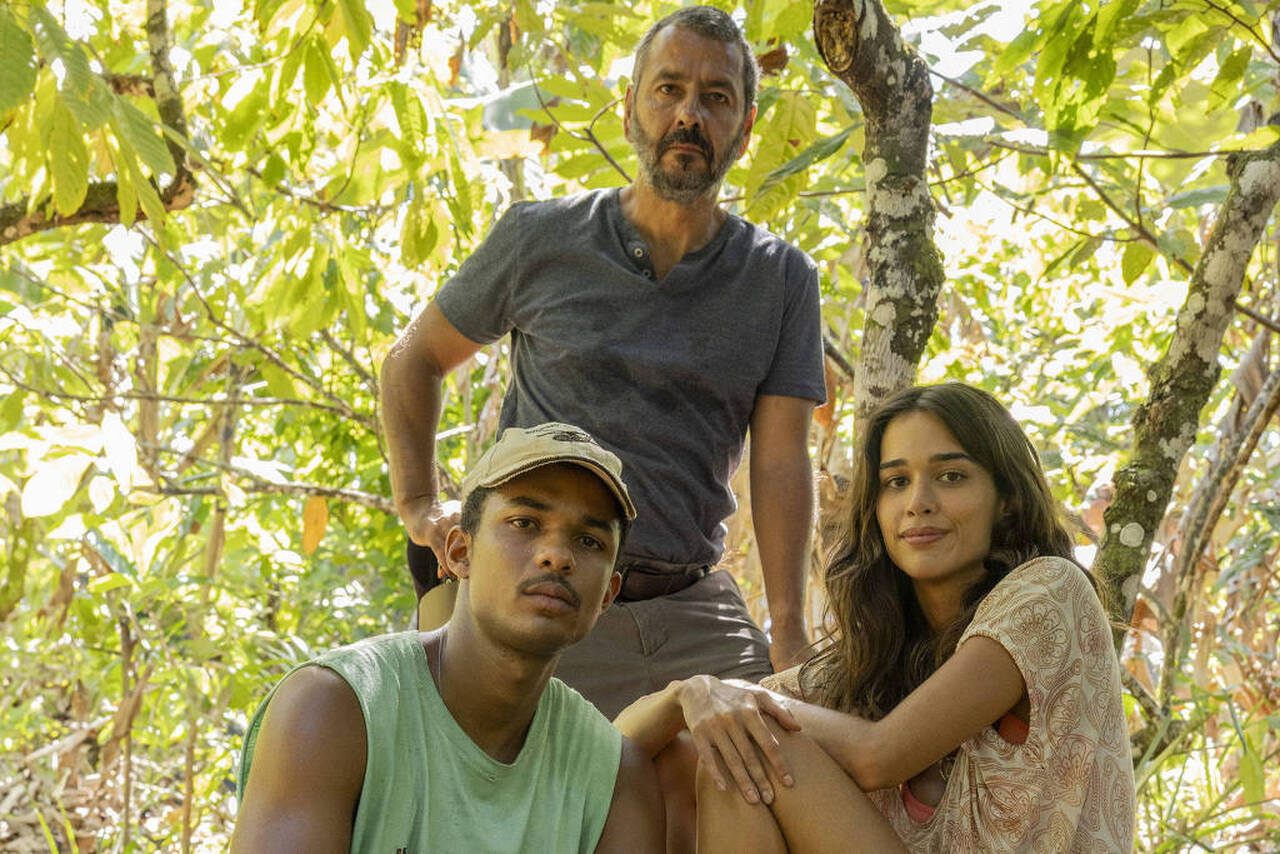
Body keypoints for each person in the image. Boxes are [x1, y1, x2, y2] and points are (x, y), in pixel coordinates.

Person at [380, 5, 826, 718]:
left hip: (690, 603)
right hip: (542, 588)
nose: (689, 114)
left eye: (716, 98)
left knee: (775, 756)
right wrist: (419, 505)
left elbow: (779, 464)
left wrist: (792, 633)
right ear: (630, 111)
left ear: (743, 129)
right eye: (668, 89)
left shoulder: (779, 279)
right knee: (508, 805)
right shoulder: (541, 237)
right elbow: (413, 359)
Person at [616, 383, 1137, 851]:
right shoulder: (869, 664)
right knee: (729, 749)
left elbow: (877, 756)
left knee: (763, 743)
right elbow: (619, 749)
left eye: (951, 476)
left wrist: (734, 695)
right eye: (895, 482)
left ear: (1007, 500)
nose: (919, 503)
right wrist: (689, 693)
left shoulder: (1049, 591)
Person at [232, 423, 664, 853]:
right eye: (524, 522)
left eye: (589, 540)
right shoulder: (336, 707)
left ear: (607, 594)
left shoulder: (615, 776)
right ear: (460, 552)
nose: (557, 556)